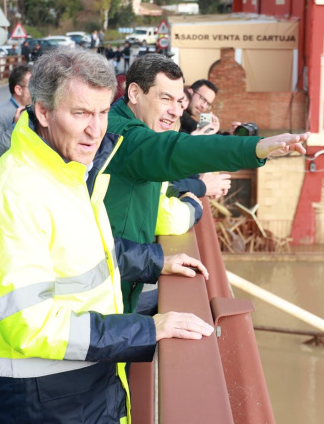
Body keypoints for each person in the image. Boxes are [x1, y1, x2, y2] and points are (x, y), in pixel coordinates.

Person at [0, 48, 212, 424]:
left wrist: (160, 261)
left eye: (102, 112)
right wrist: (147, 328)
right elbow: (32, 324)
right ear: (43, 111)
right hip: (43, 400)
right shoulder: (13, 196)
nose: (96, 130)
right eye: (80, 113)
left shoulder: (66, 170)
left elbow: (84, 252)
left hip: (79, 384)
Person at [104, 53, 309, 312]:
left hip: (120, 275)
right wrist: (255, 148)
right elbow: (175, 151)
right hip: (104, 291)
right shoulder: (123, 135)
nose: (176, 110)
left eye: (180, 101)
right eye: (165, 98)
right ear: (134, 93)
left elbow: (160, 182)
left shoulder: (132, 127)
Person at [0, 64, 32, 177]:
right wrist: (15, 127)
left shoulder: (41, 112)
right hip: (6, 180)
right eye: (33, 85)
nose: (38, 89)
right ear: (18, 90)